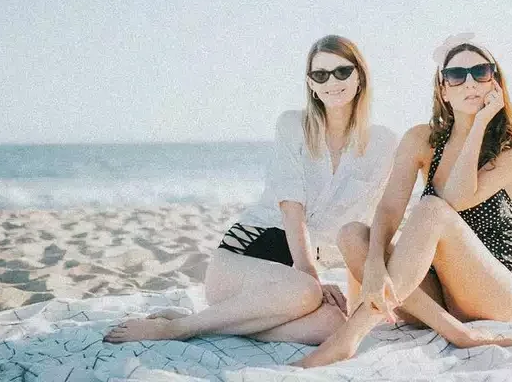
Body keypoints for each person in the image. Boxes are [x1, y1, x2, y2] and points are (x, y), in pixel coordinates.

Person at [104, 35, 397, 345]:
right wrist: (309, 274)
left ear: (360, 76)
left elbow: (367, 223)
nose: (331, 81)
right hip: (245, 260)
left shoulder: (382, 143)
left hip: (291, 283)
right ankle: (176, 329)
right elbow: (291, 205)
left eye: (342, 71)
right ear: (311, 84)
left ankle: (209, 324)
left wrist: (360, 293)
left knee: (332, 325)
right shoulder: (292, 124)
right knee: (306, 291)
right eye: (320, 74)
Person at [297, 34, 512, 367]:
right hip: (435, 295)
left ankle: (349, 338)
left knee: (433, 209)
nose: (470, 82)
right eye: (456, 74)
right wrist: (375, 266)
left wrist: (477, 124)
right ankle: (454, 331)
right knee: (352, 234)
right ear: (443, 89)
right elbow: (390, 209)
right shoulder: (421, 139)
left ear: (495, 81)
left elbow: (456, 199)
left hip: (497, 293)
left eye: (481, 71)